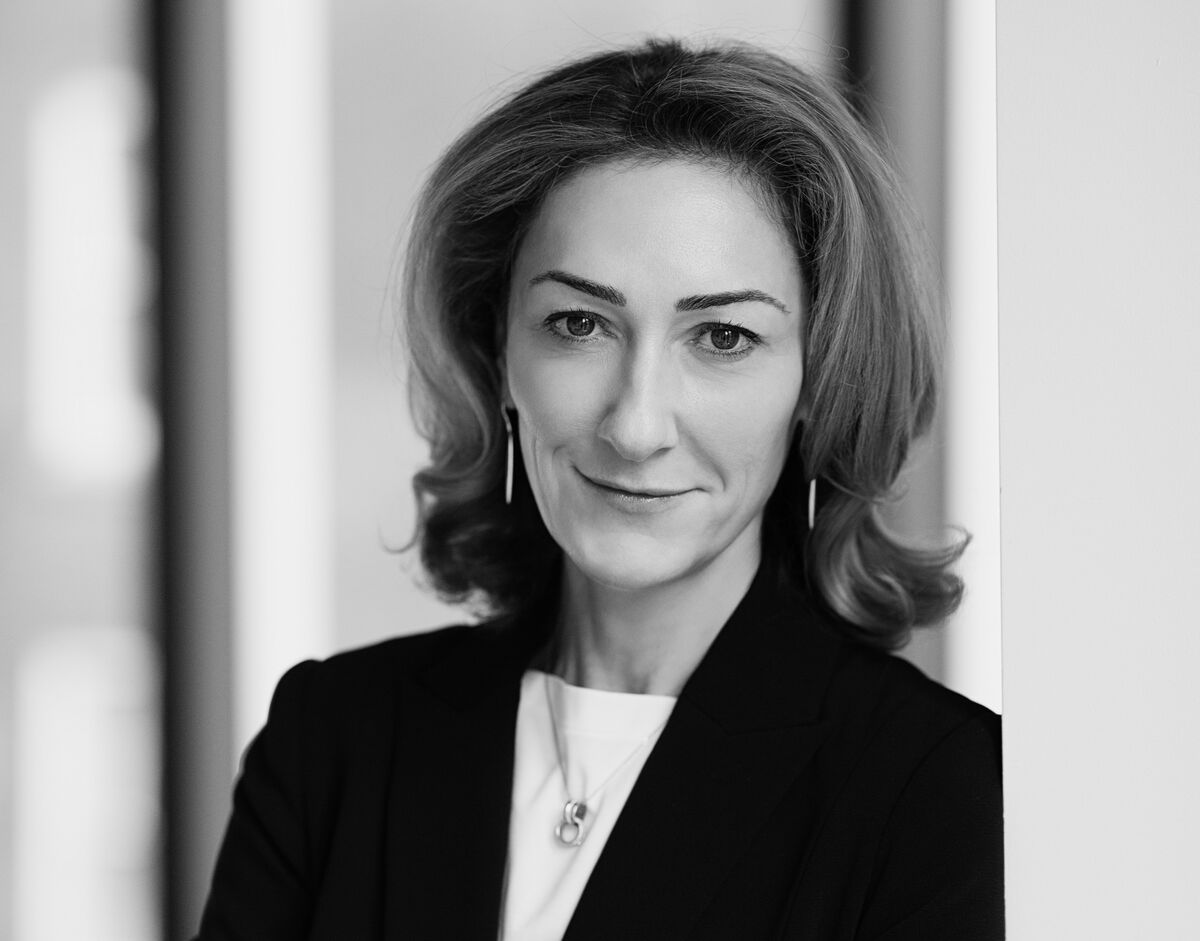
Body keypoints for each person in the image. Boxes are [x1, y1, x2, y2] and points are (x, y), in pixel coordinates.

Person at [195, 38, 1003, 940]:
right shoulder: (334, 740)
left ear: (819, 380)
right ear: (497, 352)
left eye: (724, 337)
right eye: (579, 323)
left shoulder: (936, 790)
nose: (636, 425)